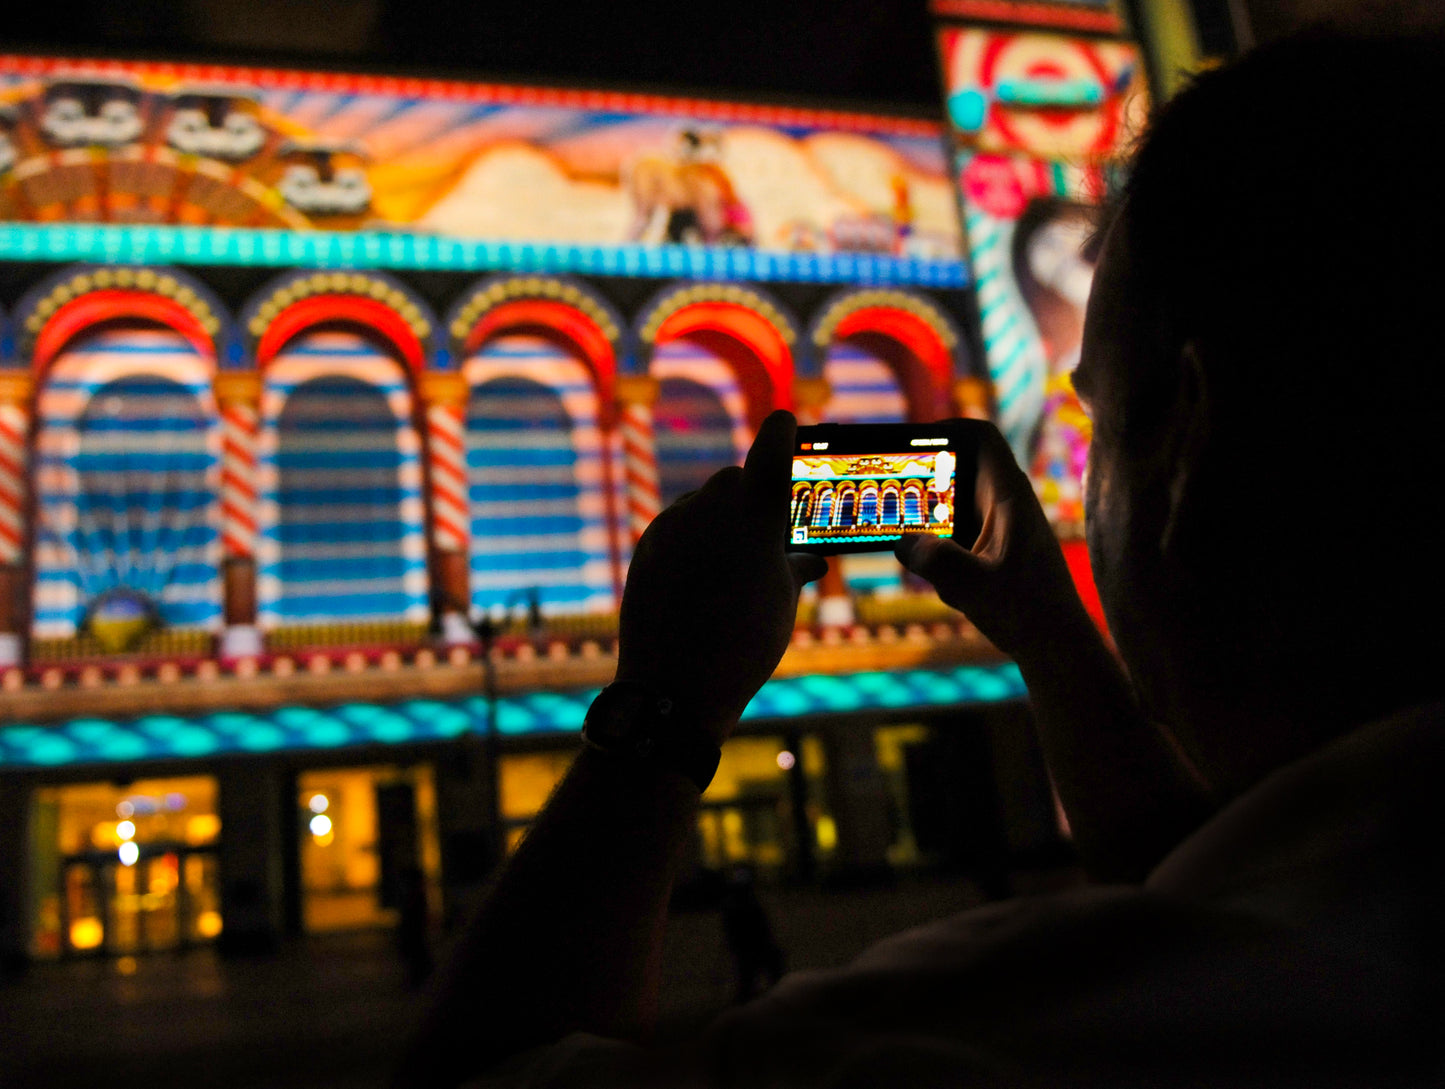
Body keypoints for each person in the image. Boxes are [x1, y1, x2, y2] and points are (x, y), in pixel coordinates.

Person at [394, 32, 1443, 1088]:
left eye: (1104, 427)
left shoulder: (1009, 1030)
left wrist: (660, 712)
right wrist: (1045, 624)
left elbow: (474, 1075)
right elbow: (1206, 872)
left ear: (1183, 445)